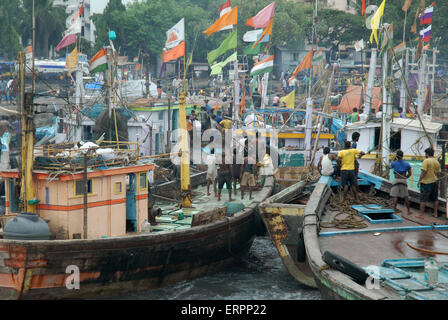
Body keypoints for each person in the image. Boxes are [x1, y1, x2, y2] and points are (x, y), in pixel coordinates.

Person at [417, 147, 441, 218]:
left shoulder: (426, 161)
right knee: (435, 198)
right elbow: (438, 174)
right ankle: (435, 213)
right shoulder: (436, 162)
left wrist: (419, 181)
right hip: (434, 182)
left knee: (423, 199)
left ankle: (421, 214)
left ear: (427, 154)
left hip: (426, 182)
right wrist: (438, 183)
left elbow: (423, 172)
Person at [390, 150, 412, 215]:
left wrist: (394, 159)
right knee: (406, 196)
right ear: (402, 155)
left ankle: (394, 209)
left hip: (396, 179)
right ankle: (408, 211)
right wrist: (406, 177)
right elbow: (410, 173)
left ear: (397, 156)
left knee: (395, 196)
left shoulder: (394, 163)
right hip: (403, 180)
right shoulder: (407, 164)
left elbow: (389, 167)